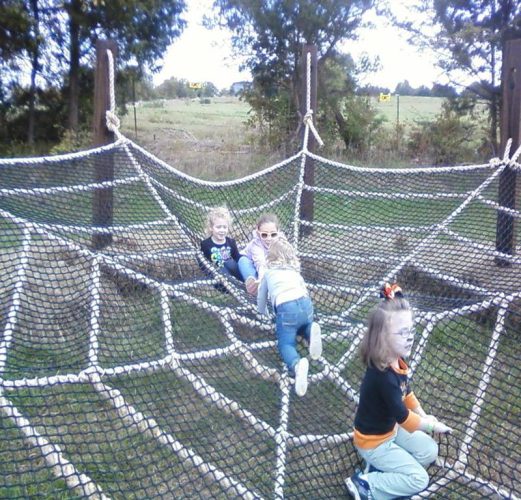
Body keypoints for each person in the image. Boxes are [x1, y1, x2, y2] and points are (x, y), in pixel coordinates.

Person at [345, 283, 453, 500]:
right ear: (383, 337)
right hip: (374, 443)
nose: (410, 337)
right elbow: (403, 417)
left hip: (391, 432)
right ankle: (365, 484)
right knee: (419, 479)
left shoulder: (397, 361)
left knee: (430, 450)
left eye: (411, 330)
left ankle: (392, 475)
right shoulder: (381, 376)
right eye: (403, 332)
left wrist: (423, 414)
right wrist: (431, 425)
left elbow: (407, 392)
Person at [257, 237, 322, 397]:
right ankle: (310, 332)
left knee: (286, 344)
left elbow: (261, 296)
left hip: (287, 308)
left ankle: (297, 365)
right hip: (306, 305)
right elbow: (304, 290)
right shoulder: (295, 273)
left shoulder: (268, 273)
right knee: (303, 325)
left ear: (270, 258)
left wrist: (262, 313)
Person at [239, 212, 282, 295]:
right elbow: (260, 262)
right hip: (251, 265)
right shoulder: (256, 244)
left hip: (268, 267)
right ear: (258, 233)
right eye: (264, 235)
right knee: (242, 261)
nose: (269, 238)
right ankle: (254, 286)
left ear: (278, 232)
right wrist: (262, 280)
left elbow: (286, 258)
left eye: (273, 234)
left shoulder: (281, 242)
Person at [200, 206, 242, 281]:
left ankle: (243, 283)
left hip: (233, 274)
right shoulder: (206, 244)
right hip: (218, 277)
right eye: (218, 227)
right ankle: (229, 283)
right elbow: (203, 263)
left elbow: (237, 257)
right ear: (211, 228)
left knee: (229, 262)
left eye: (224, 227)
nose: (222, 230)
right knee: (221, 267)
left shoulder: (231, 242)